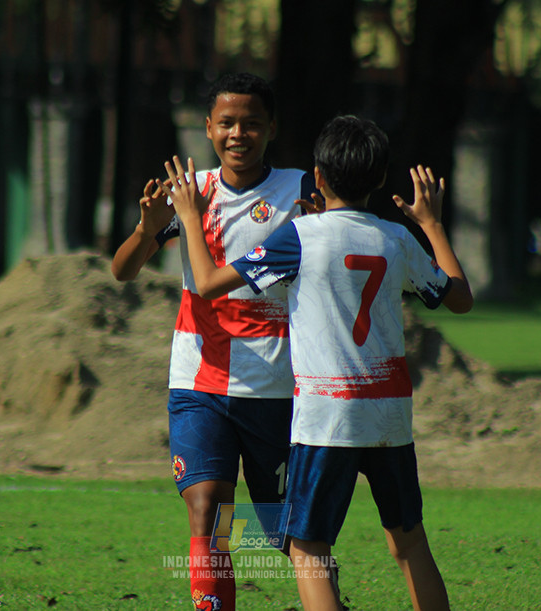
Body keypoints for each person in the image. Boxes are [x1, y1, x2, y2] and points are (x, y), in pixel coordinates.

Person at [163, 114, 474, 611]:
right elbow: (459, 299)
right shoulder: (396, 238)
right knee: (409, 540)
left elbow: (206, 282)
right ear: (378, 179)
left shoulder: (300, 237)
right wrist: (432, 224)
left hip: (327, 418)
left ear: (319, 177)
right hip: (391, 414)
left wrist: (190, 215)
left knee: (308, 550)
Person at [110, 72, 318, 610]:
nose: (238, 134)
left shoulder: (301, 190)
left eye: (251, 123)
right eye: (226, 123)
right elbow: (123, 271)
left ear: (272, 128)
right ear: (208, 128)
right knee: (207, 510)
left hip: (277, 385)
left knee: (285, 532)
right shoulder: (190, 193)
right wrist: (144, 227)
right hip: (198, 380)